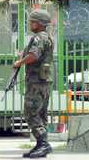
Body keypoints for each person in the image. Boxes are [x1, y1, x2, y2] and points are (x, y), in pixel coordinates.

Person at [14, 9, 53, 158]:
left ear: (38, 23)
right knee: (41, 113)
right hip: (44, 81)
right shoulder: (47, 38)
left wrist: (19, 63)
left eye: (32, 21)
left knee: (30, 112)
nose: (30, 24)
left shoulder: (39, 38)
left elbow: (33, 55)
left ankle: (43, 144)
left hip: (36, 81)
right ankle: (40, 145)